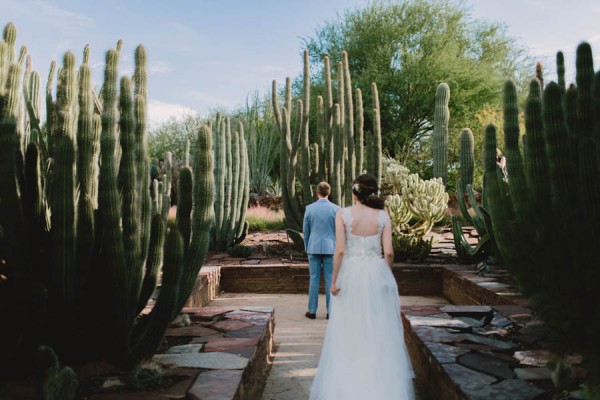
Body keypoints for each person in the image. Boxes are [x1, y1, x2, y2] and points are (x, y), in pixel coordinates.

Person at [310, 174, 415, 400]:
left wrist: (335, 281)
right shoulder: (383, 216)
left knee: (349, 329)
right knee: (378, 328)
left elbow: (339, 251)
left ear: (355, 192)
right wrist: (386, 275)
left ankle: (348, 385)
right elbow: (388, 252)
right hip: (376, 273)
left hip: (352, 274)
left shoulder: (344, 214)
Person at [303, 181, 340, 320]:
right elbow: (339, 231)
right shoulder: (336, 209)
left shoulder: (309, 208)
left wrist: (307, 247)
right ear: (329, 193)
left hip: (313, 247)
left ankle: (312, 311)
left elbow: (305, 231)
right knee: (330, 279)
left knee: (314, 279)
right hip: (331, 248)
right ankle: (331, 311)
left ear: (317, 192)